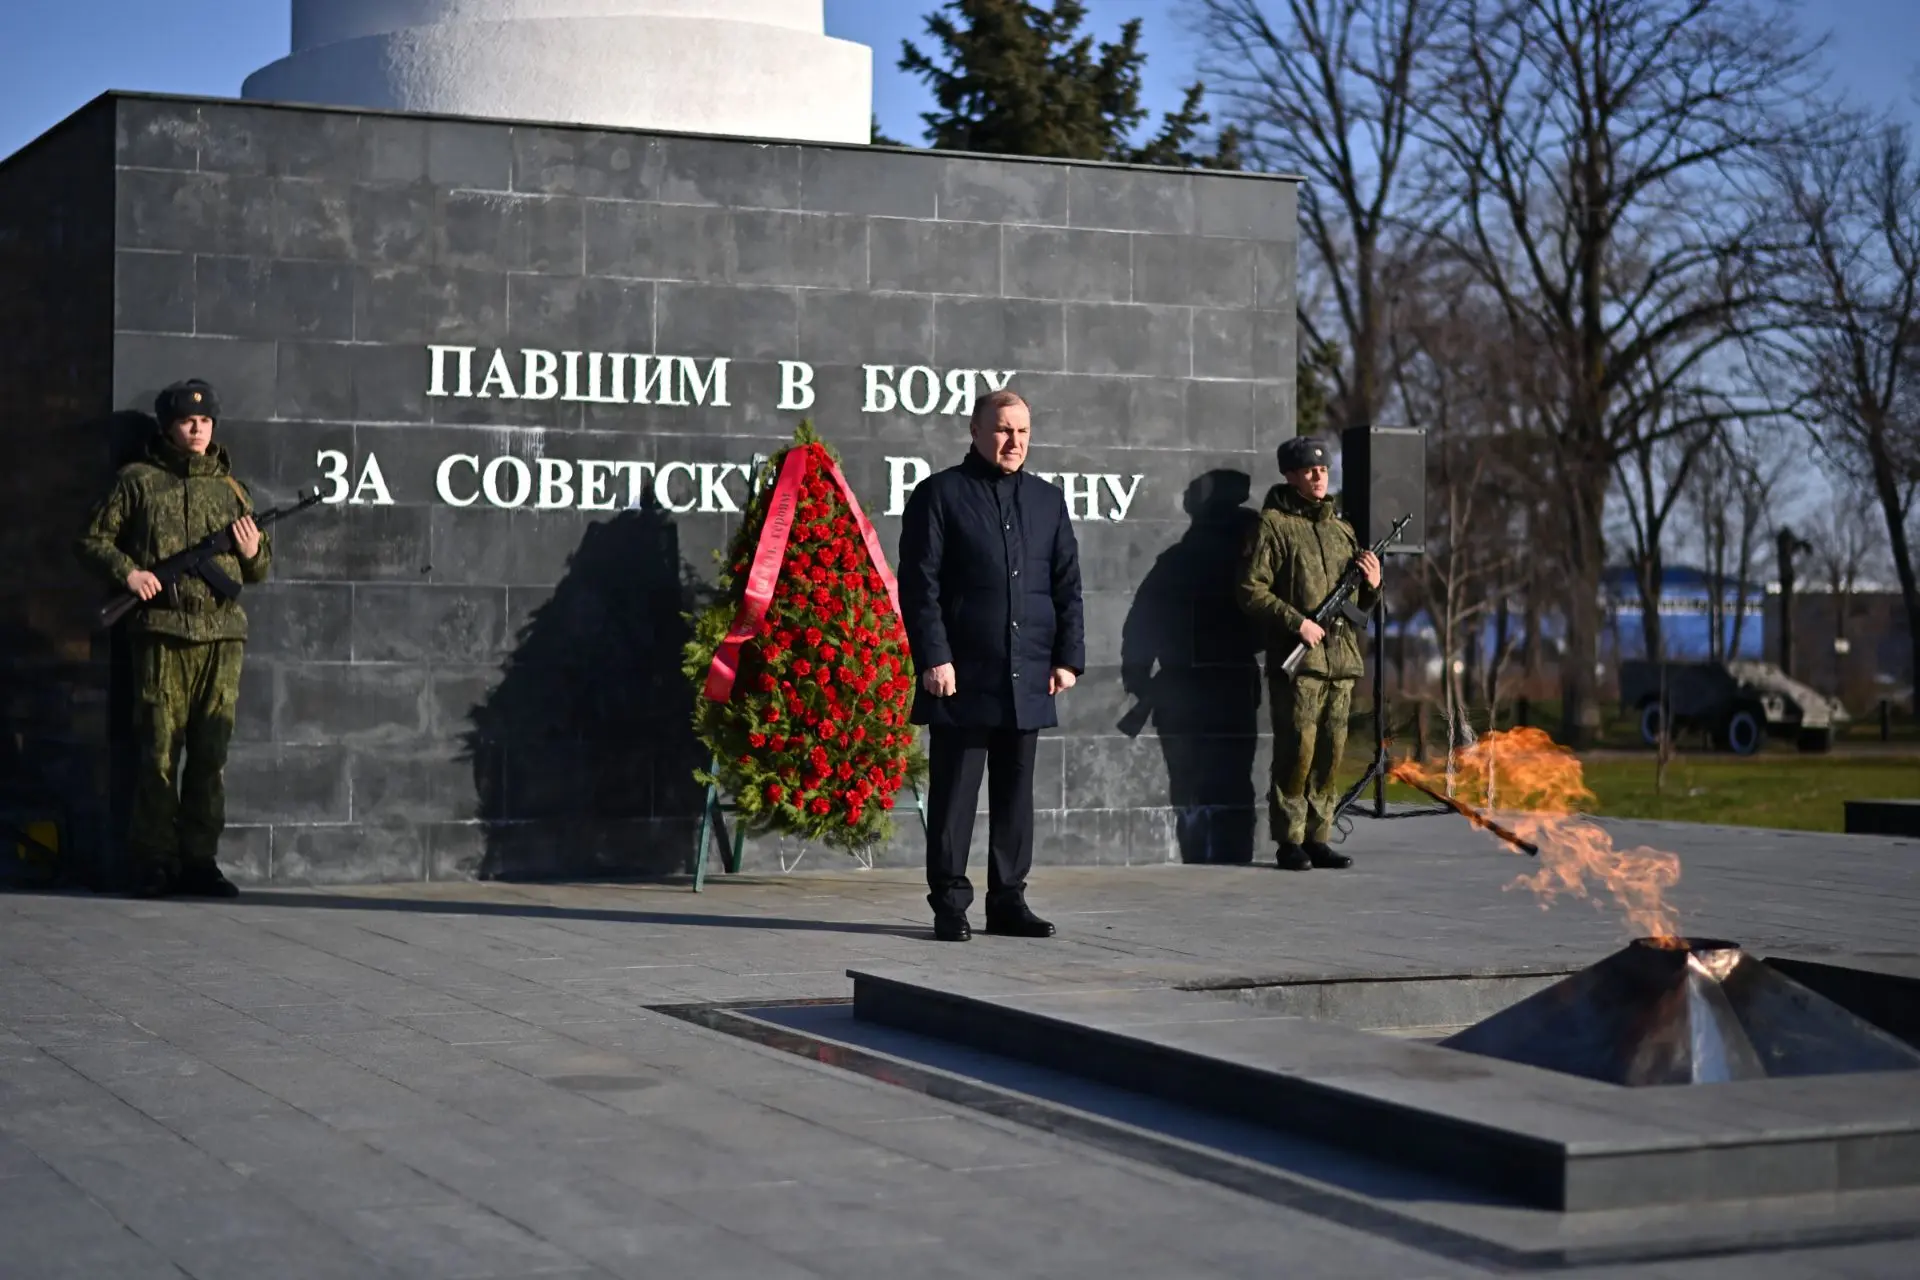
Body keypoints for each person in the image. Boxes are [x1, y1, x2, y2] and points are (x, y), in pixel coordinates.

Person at [898, 390, 1084, 942]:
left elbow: (1066, 585)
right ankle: (950, 904)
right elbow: (920, 585)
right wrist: (935, 656)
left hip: (1028, 672)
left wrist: (1067, 658)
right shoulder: (940, 494)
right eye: (1003, 430)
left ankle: (1008, 902)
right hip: (961, 675)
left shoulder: (1047, 501)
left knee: (1015, 796)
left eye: (1023, 431)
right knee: (956, 795)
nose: (1014, 442)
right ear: (975, 432)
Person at [76, 380, 269, 899]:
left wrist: (252, 552)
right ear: (168, 426)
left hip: (222, 637)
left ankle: (199, 861)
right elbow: (91, 539)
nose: (197, 430)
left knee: (210, 756)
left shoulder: (231, 489)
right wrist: (129, 573)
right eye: (187, 421)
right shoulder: (137, 482)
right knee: (159, 751)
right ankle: (153, 861)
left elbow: (260, 570)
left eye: (205, 422)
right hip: (162, 633)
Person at [1236, 436, 1381, 871]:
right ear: (1290, 475)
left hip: (1341, 659)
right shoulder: (1274, 526)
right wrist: (1296, 622)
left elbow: (1359, 606)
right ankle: (1290, 840)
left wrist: (1373, 585)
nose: (1319, 477)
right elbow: (1250, 589)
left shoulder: (1342, 529)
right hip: (1299, 659)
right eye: (1309, 471)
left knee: (1331, 752)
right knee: (1297, 750)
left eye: (1323, 470)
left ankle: (1319, 836)